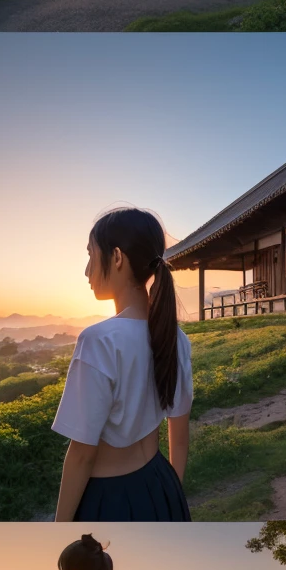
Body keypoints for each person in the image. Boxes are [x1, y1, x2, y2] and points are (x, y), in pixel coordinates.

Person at [53, 207, 193, 521]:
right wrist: (172, 495)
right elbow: (179, 433)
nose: (87, 270)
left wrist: (58, 528)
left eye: (91, 255)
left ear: (117, 257)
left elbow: (82, 456)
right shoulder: (176, 338)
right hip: (162, 484)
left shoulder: (99, 341)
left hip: (109, 496)